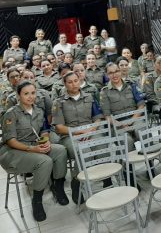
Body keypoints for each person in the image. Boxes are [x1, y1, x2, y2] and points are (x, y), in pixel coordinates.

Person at [0, 80, 68, 222]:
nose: (30, 97)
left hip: (34, 145)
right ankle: (37, 201)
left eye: (33, 93)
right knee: (45, 161)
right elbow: (11, 141)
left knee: (61, 150)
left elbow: (44, 130)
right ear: (18, 96)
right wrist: (33, 149)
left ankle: (58, 187)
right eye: (26, 94)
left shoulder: (39, 110)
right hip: (13, 151)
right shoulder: (11, 114)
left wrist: (46, 141)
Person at [52, 71, 104, 204]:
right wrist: (79, 132)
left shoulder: (90, 97)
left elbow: (98, 119)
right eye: (70, 82)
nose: (74, 84)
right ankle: (76, 183)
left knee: (103, 145)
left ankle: (106, 178)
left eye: (76, 80)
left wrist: (91, 130)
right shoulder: (59, 102)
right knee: (83, 151)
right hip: (69, 136)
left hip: (90, 132)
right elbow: (59, 127)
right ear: (65, 84)